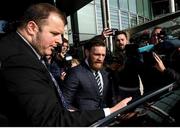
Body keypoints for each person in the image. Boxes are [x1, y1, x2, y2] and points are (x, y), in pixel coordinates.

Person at [0, 3, 132, 126]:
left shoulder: (20, 50)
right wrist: (110, 111)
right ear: (32, 28)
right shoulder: (19, 59)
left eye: (61, 34)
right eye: (55, 33)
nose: (59, 40)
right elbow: (50, 120)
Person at [63, 36, 117, 110]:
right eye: (97, 54)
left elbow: (111, 99)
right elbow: (65, 103)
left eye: (103, 55)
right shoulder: (75, 73)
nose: (100, 58)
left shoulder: (106, 72)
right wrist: (83, 117)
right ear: (87, 52)